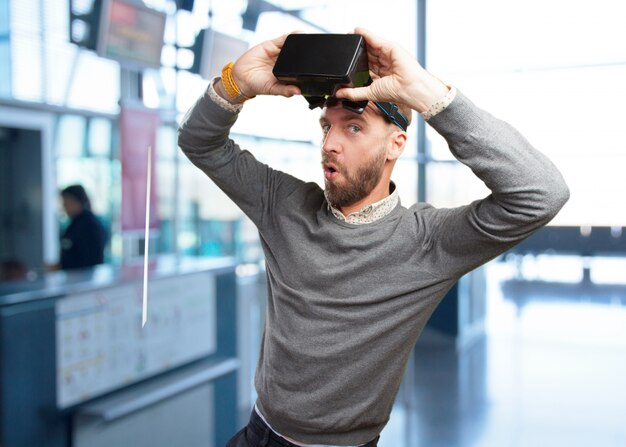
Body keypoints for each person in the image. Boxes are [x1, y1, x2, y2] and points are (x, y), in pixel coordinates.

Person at [178, 28, 569, 447]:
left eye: (354, 128)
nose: (329, 144)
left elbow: (541, 193)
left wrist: (429, 95)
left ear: (395, 144)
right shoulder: (283, 205)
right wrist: (235, 84)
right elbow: (199, 142)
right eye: (326, 127)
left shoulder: (428, 242)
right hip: (259, 435)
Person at [57, 184, 107, 270]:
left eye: (66, 203)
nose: (64, 208)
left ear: (76, 201)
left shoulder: (89, 226)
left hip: (84, 279)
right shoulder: (74, 225)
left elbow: (88, 260)